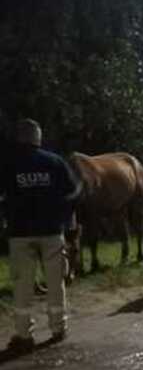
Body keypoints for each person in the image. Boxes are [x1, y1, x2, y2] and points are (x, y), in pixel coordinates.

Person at [2, 119, 81, 354]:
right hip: (51, 233)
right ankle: (58, 329)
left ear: (19, 138)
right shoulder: (54, 162)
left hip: (19, 235)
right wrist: (64, 218)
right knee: (55, 282)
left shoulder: (7, 164)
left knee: (22, 285)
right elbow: (75, 191)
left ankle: (24, 335)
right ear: (38, 138)